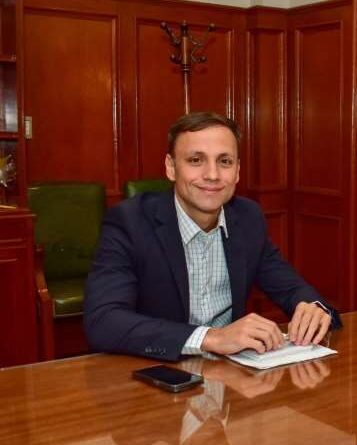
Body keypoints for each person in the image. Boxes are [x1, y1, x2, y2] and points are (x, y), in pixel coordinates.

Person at [84, 112, 340, 361]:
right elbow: (104, 321)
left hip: (233, 374)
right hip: (157, 370)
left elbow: (290, 287)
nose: (212, 175)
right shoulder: (129, 222)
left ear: (237, 171)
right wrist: (211, 338)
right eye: (196, 160)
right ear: (171, 167)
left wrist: (313, 309)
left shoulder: (248, 218)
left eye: (224, 161)